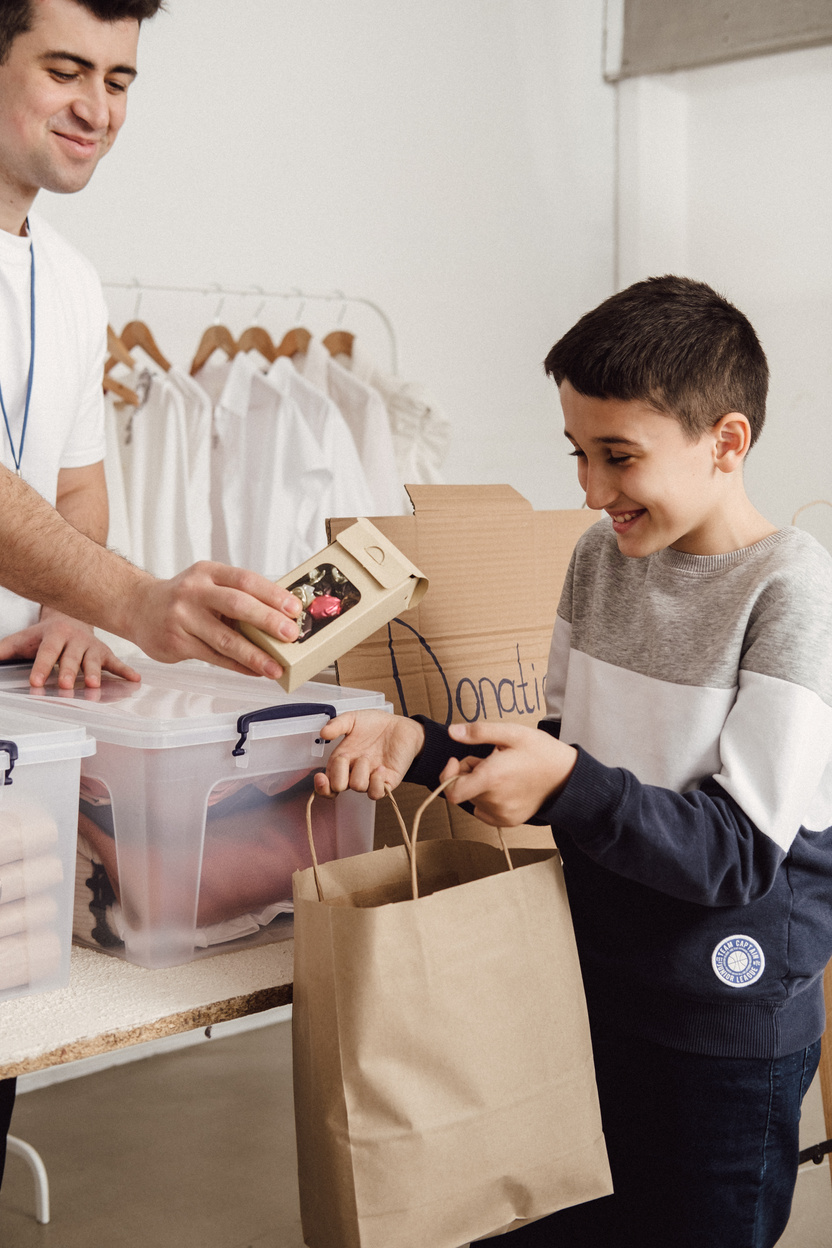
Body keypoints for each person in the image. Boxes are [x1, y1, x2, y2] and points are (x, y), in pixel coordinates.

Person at [314, 275, 832, 1248]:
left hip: (720, 1032)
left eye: (617, 457)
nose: (590, 492)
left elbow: (735, 856)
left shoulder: (791, 591)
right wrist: (418, 745)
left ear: (725, 442)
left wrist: (564, 785)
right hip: (589, 988)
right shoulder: (602, 558)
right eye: (577, 455)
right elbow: (561, 754)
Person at [0, 0, 301, 1188]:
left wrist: (75, 604)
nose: (98, 109)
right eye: (65, 70)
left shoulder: (69, 283)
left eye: (120, 79)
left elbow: (74, 487)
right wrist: (130, 599)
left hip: (18, 729)